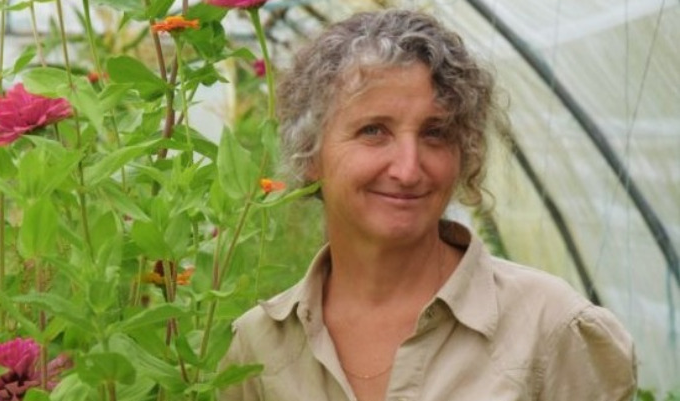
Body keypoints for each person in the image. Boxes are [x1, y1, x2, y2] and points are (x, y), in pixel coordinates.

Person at [220, 8, 636, 401]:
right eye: (373, 131)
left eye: (435, 133)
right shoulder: (257, 349)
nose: (408, 169)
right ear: (310, 153)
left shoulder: (550, 328)